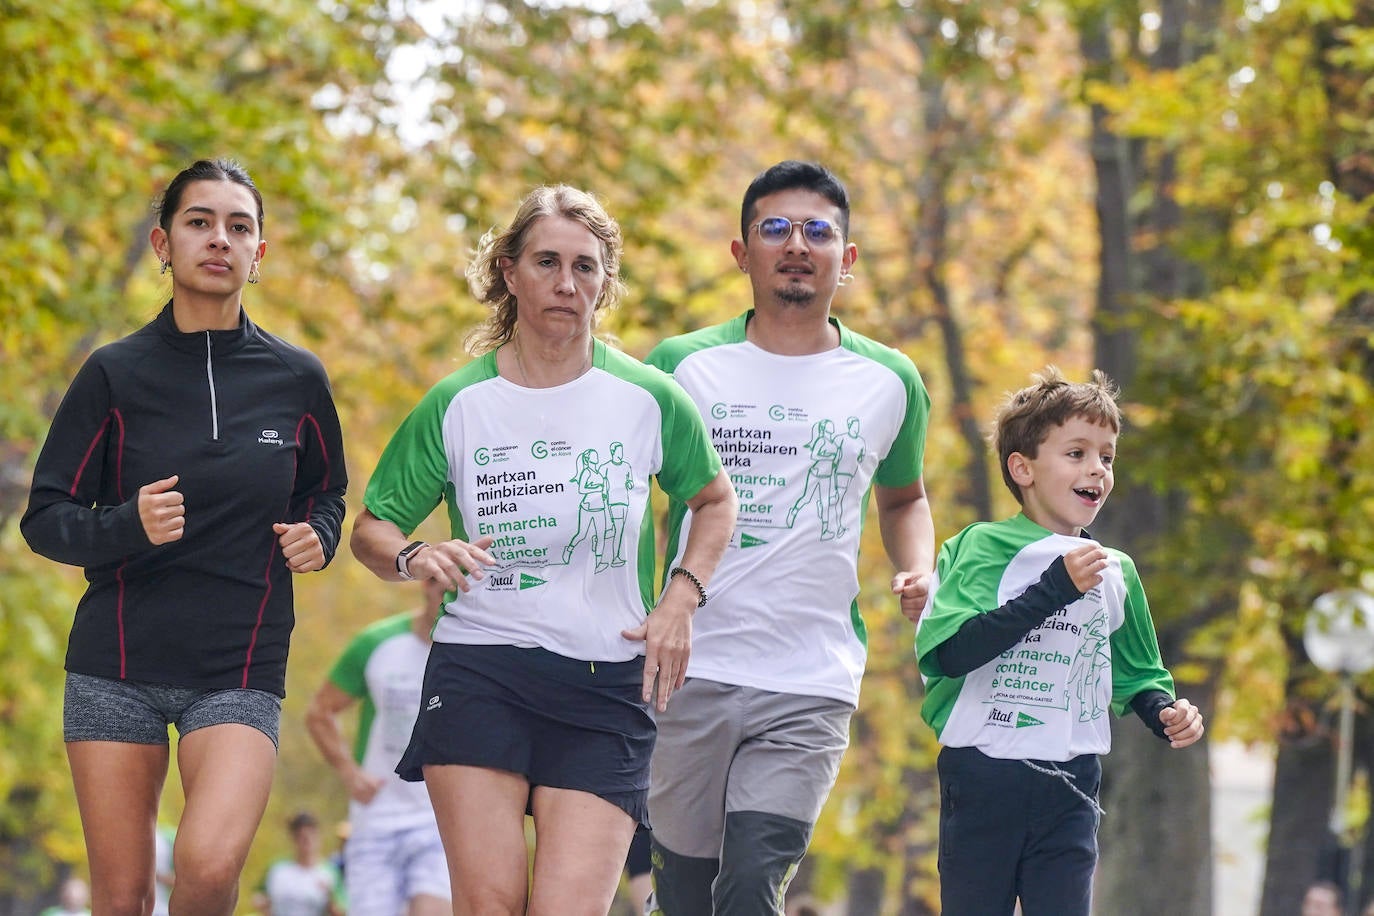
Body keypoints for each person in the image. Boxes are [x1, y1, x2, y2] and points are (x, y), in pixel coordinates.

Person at [350, 184, 737, 916]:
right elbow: (371, 527)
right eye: (547, 262)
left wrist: (681, 599)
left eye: (586, 268)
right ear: (508, 270)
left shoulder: (648, 398)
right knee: (488, 905)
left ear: (605, 281)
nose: (567, 284)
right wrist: (413, 556)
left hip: (608, 682)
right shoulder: (458, 403)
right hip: (481, 669)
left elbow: (716, 500)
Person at [20, 158, 348, 916]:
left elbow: (324, 490)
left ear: (259, 254)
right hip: (118, 663)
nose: (219, 239)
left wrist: (320, 536)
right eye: (199, 221)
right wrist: (124, 525)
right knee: (124, 896)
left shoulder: (297, 380)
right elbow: (44, 516)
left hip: (238, 664)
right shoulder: (113, 374)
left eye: (239, 227)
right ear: (164, 243)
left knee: (205, 867)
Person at [645, 160, 935, 915]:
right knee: (683, 895)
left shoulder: (891, 380)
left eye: (818, 231)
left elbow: (905, 498)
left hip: (810, 678)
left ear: (848, 257)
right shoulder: (679, 368)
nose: (797, 244)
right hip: (686, 671)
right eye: (775, 228)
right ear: (742, 253)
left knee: (750, 884)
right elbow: (617, 500)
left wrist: (919, 569)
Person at [915, 367, 1205, 915]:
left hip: (1072, 785)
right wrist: (1053, 590)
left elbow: (1136, 673)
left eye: (1107, 456)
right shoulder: (982, 546)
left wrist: (1164, 712)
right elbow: (953, 653)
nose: (1096, 468)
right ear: (1022, 468)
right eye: (1076, 453)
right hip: (984, 774)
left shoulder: (1116, 570)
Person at [306, 578, 452, 916]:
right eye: (438, 584)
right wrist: (349, 772)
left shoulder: (474, 652)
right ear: (425, 584)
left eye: (454, 586)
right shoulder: (378, 643)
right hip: (377, 813)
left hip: (439, 815)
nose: (444, 595)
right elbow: (320, 713)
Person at [258, 811, 345, 916]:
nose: (307, 842)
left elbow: (342, 911)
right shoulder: (277, 869)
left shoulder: (329, 872)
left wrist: (329, 897)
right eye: (302, 837)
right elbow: (259, 896)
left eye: (310, 836)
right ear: (294, 839)